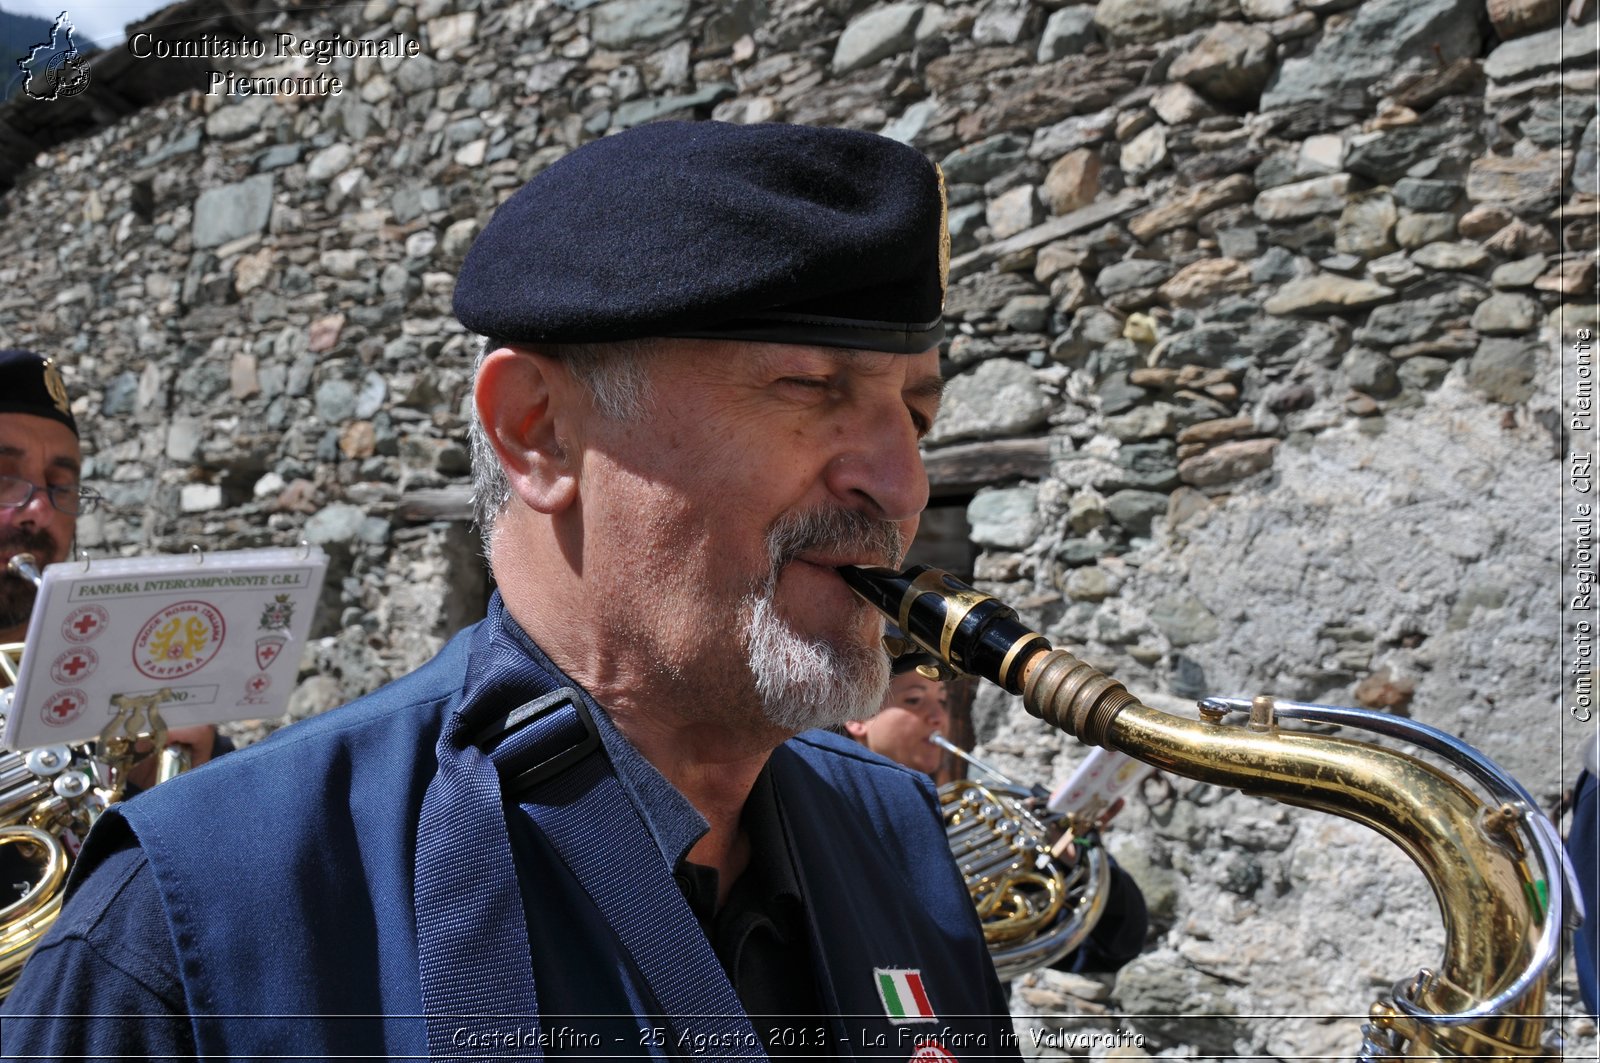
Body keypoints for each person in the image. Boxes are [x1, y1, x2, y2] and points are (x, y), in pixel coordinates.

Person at [1, 122, 1021, 1061]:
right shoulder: (197, 904)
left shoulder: (899, 830)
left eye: (916, 414)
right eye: (808, 389)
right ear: (536, 428)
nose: (900, 485)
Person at [844, 644, 1149, 979]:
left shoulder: (959, 818)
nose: (938, 718)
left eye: (942, 702)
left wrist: (1074, 855)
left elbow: (1109, 949)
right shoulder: (828, 811)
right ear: (860, 717)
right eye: (914, 700)